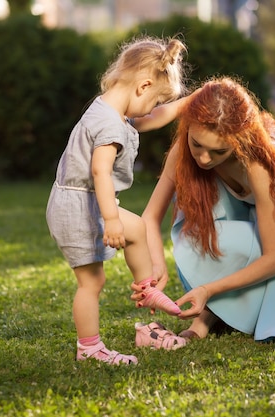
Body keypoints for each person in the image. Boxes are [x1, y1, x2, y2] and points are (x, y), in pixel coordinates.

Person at [131, 77, 275, 348]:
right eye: (197, 144)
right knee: (201, 228)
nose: (204, 158)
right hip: (256, 212)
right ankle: (208, 318)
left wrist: (209, 289)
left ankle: (212, 313)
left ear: (240, 140)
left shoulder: (259, 164)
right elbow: (149, 218)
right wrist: (156, 265)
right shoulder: (185, 149)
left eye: (218, 150)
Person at [45, 36, 187, 365]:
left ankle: (146, 286)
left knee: (136, 228)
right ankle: (90, 349)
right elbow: (100, 172)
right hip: (80, 206)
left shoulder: (109, 108)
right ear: (143, 85)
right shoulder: (108, 123)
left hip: (85, 201)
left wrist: (185, 104)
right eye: (152, 101)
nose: (151, 110)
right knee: (91, 282)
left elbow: (148, 119)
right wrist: (110, 219)